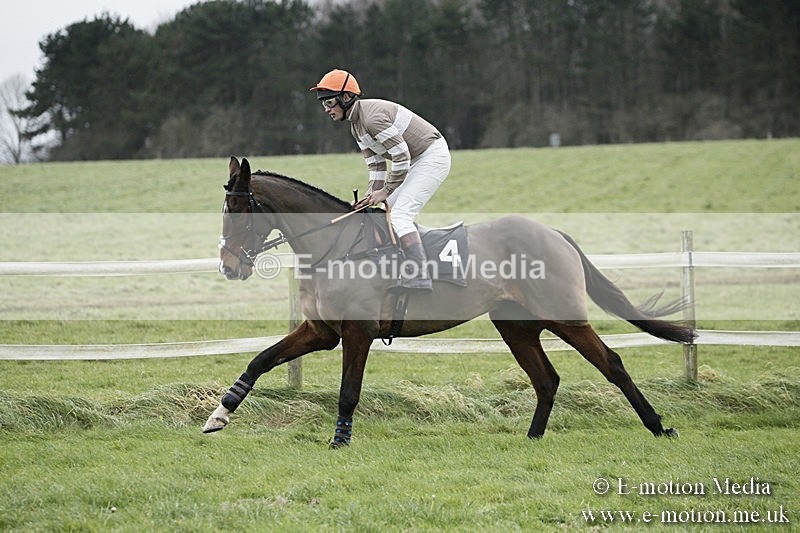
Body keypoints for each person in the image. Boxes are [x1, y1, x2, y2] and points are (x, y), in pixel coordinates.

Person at [310, 68, 451, 292]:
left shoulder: (372, 119)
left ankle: (421, 276)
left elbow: (401, 157)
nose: (326, 109)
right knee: (380, 216)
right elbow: (376, 166)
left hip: (432, 157)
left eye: (329, 102)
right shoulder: (356, 126)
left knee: (400, 216)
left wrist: (385, 192)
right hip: (413, 161)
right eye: (323, 104)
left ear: (346, 98)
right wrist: (369, 197)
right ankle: (397, 270)